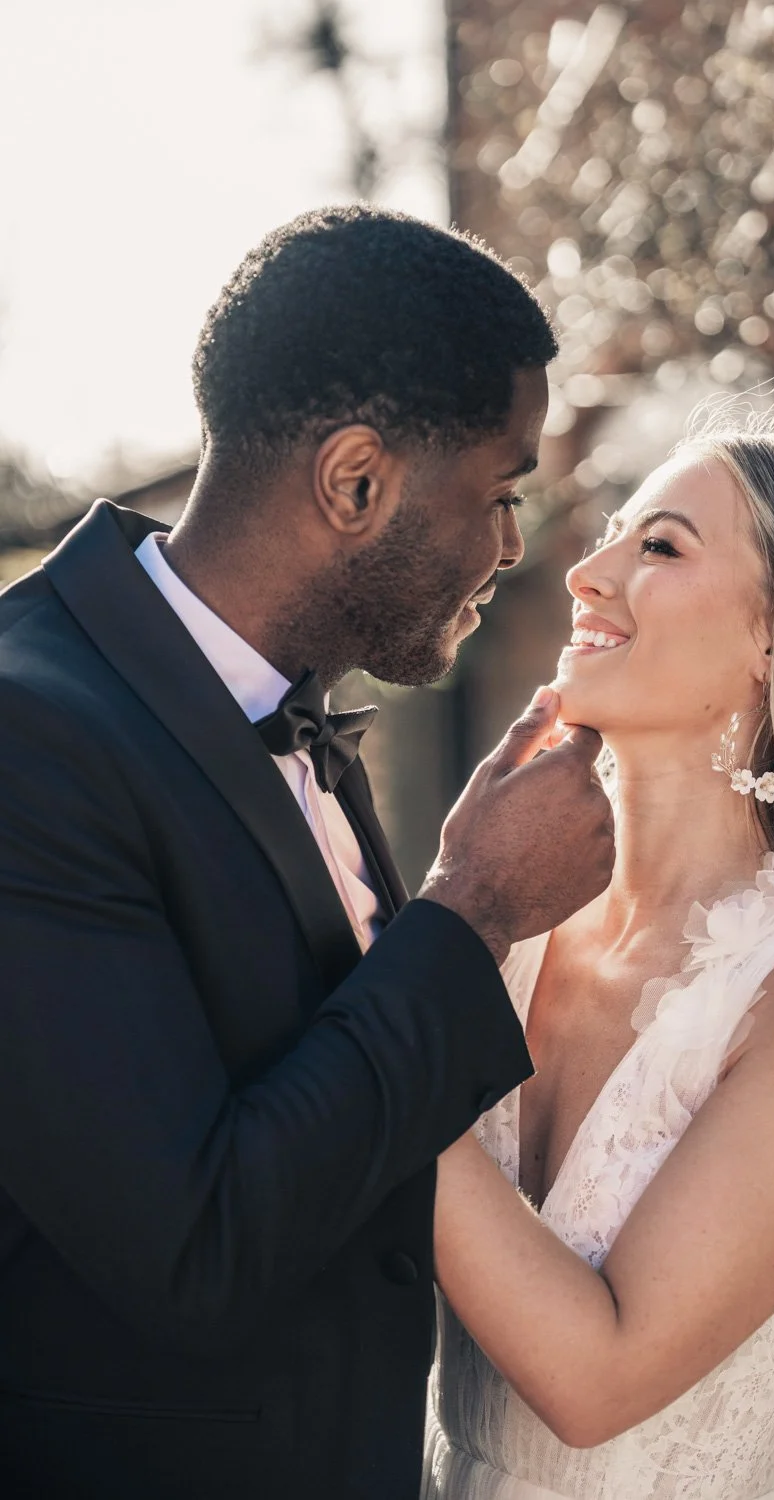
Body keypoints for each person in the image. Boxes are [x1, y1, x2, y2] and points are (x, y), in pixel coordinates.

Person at [0, 206, 615, 1500]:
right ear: (356, 482)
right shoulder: (28, 737)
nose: (514, 547)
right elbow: (194, 1245)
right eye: (499, 492)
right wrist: (474, 913)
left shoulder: (277, 712)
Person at [423, 407, 774, 1500]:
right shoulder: (516, 918)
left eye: (658, 547)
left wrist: (385, 1032)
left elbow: (595, 1381)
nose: (586, 576)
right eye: (614, 534)